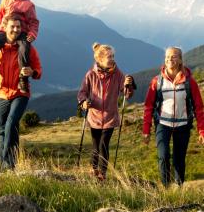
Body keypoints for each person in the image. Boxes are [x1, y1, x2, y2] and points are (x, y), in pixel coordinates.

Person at [0, 14, 42, 170]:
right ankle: (6, 164)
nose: (15, 29)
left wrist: (31, 71)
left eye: (18, 27)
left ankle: (8, 164)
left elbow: (38, 71)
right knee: (2, 129)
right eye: (12, 26)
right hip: (1, 93)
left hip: (20, 92)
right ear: (5, 27)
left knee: (11, 124)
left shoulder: (27, 49)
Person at [143, 46, 204, 187]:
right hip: (162, 124)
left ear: (180, 60)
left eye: (174, 56)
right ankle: (166, 189)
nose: (170, 59)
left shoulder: (190, 82)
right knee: (163, 156)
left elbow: (199, 108)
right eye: (167, 56)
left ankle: (178, 188)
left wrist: (202, 130)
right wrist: (146, 130)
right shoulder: (157, 81)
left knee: (179, 159)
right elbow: (148, 106)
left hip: (183, 125)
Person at [77, 42, 135, 181]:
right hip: (94, 117)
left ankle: (102, 173)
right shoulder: (90, 74)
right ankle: (94, 169)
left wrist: (129, 85)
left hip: (110, 117)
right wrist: (84, 102)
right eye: (110, 56)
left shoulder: (118, 74)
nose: (113, 59)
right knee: (96, 145)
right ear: (100, 59)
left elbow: (126, 94)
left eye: (113, 56)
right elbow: (82, 92)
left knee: (104, 144)